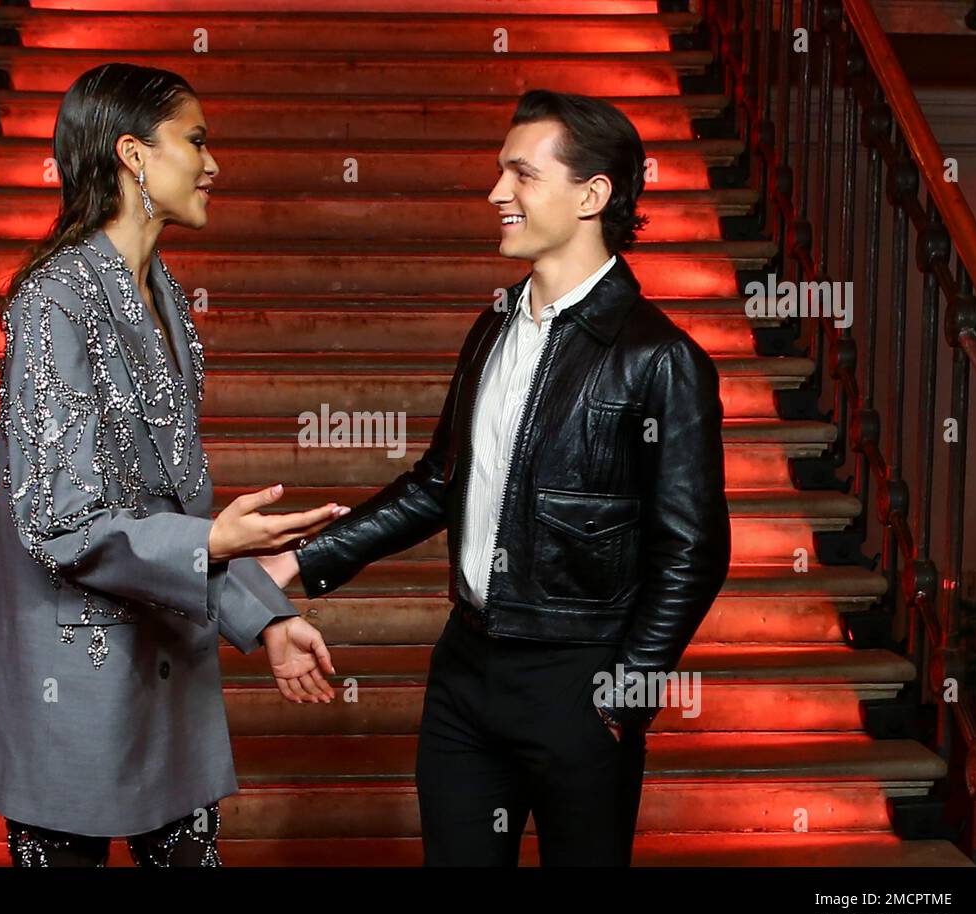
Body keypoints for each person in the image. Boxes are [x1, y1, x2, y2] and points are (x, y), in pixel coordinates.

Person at [259, 90, 732, 866]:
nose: (495, 194)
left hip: (580, 684)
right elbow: (434, 485)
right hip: (465, 675)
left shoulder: (661, 358)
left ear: (593, 194)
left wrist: (627, 693)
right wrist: (298, 561)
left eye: (520, 175)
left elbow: (693, 551)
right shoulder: (493, 326)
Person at [0, 63, 346, 867]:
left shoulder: (162, 291)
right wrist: (215, 545)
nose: (214, 165)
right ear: (134, 155)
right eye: (196, 141)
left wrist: (265, 615)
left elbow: (164, 504)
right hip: (72, 684)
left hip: (168, 677)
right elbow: (61, 520)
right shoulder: (53, 300)